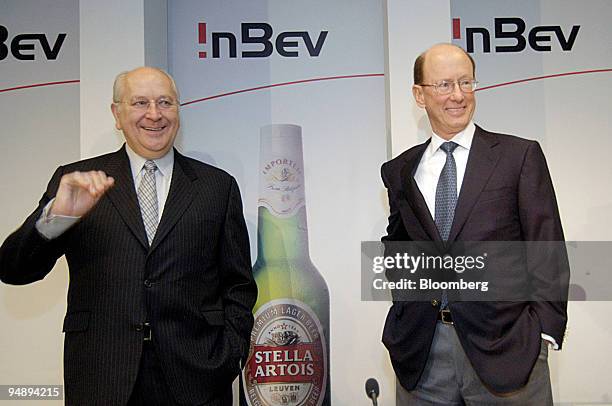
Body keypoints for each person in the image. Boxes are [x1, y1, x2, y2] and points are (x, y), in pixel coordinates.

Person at [0, 67, 257, 406]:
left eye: (165, 102)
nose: (155, 114)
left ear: (178, 110)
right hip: (102, 376)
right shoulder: (76, 182)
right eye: (140, 103)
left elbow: (238, 285)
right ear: (116, 113)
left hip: (197, 378)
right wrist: (56, 217)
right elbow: (14, 269)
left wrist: (229, 354)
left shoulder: (216, 187)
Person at [381, 43, 568, 404]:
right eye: (445, 85)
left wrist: (543, 332)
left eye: (466, 83)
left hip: (508, 350)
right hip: (421, 354)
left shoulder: (518, 156)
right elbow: (397, 244)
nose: (458, 95)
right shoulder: (400, 170)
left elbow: (546, 247)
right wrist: (406, 306)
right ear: (420, 95)